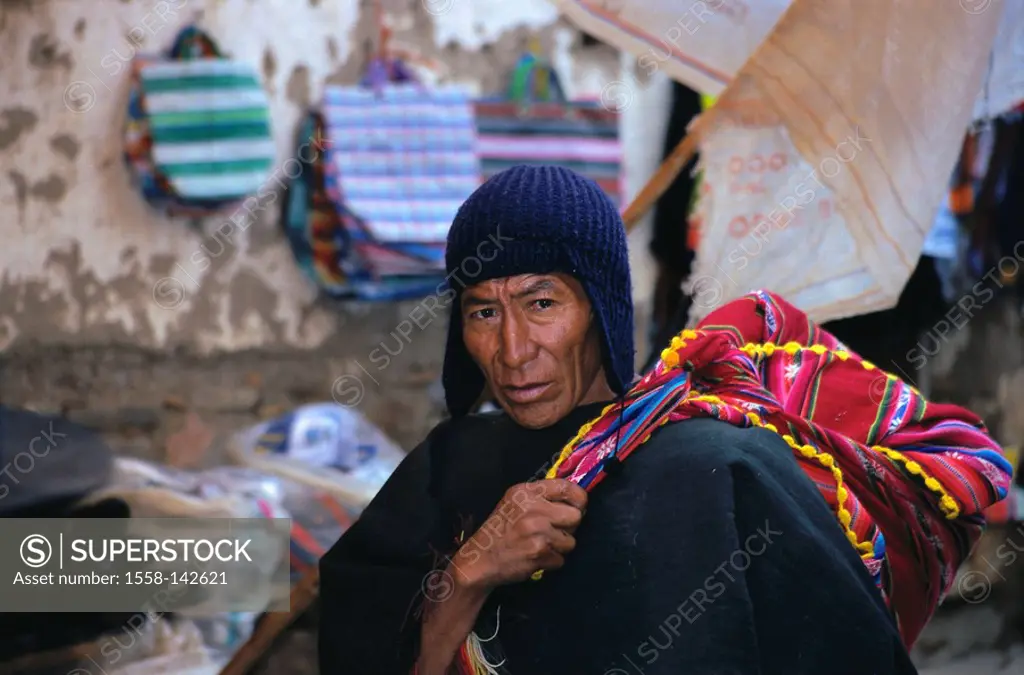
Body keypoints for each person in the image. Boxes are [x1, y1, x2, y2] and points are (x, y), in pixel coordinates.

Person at [318, 165, 1012, 675]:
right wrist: (471, 571)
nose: (512, 349)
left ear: (602, 307)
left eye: (541, 303)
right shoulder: (444, 471)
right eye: (482, 311)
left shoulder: (713, 452)